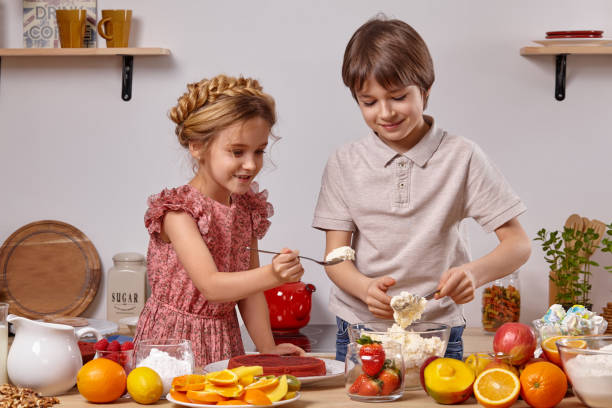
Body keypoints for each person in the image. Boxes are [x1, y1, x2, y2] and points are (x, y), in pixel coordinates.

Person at [312, 17, 531, 362]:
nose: (385, 112)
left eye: (398, 97)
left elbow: (518, 245)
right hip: (363, 328)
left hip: (438, 331)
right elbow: (336, 258)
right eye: (368, 102)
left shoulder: (462, 157)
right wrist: (364, 288)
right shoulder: (344, 162)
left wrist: (472, 274)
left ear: (425, 91)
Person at [135, 74, 305, 367]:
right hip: (173, 347)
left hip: (226, 342)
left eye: (259, 151)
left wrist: (268, 350)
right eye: (237, 151)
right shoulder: (179, 212)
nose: (251, 164)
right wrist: (274, 276)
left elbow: (249, 294)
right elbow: (211, 286)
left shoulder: (246, 209)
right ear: (197, 146)